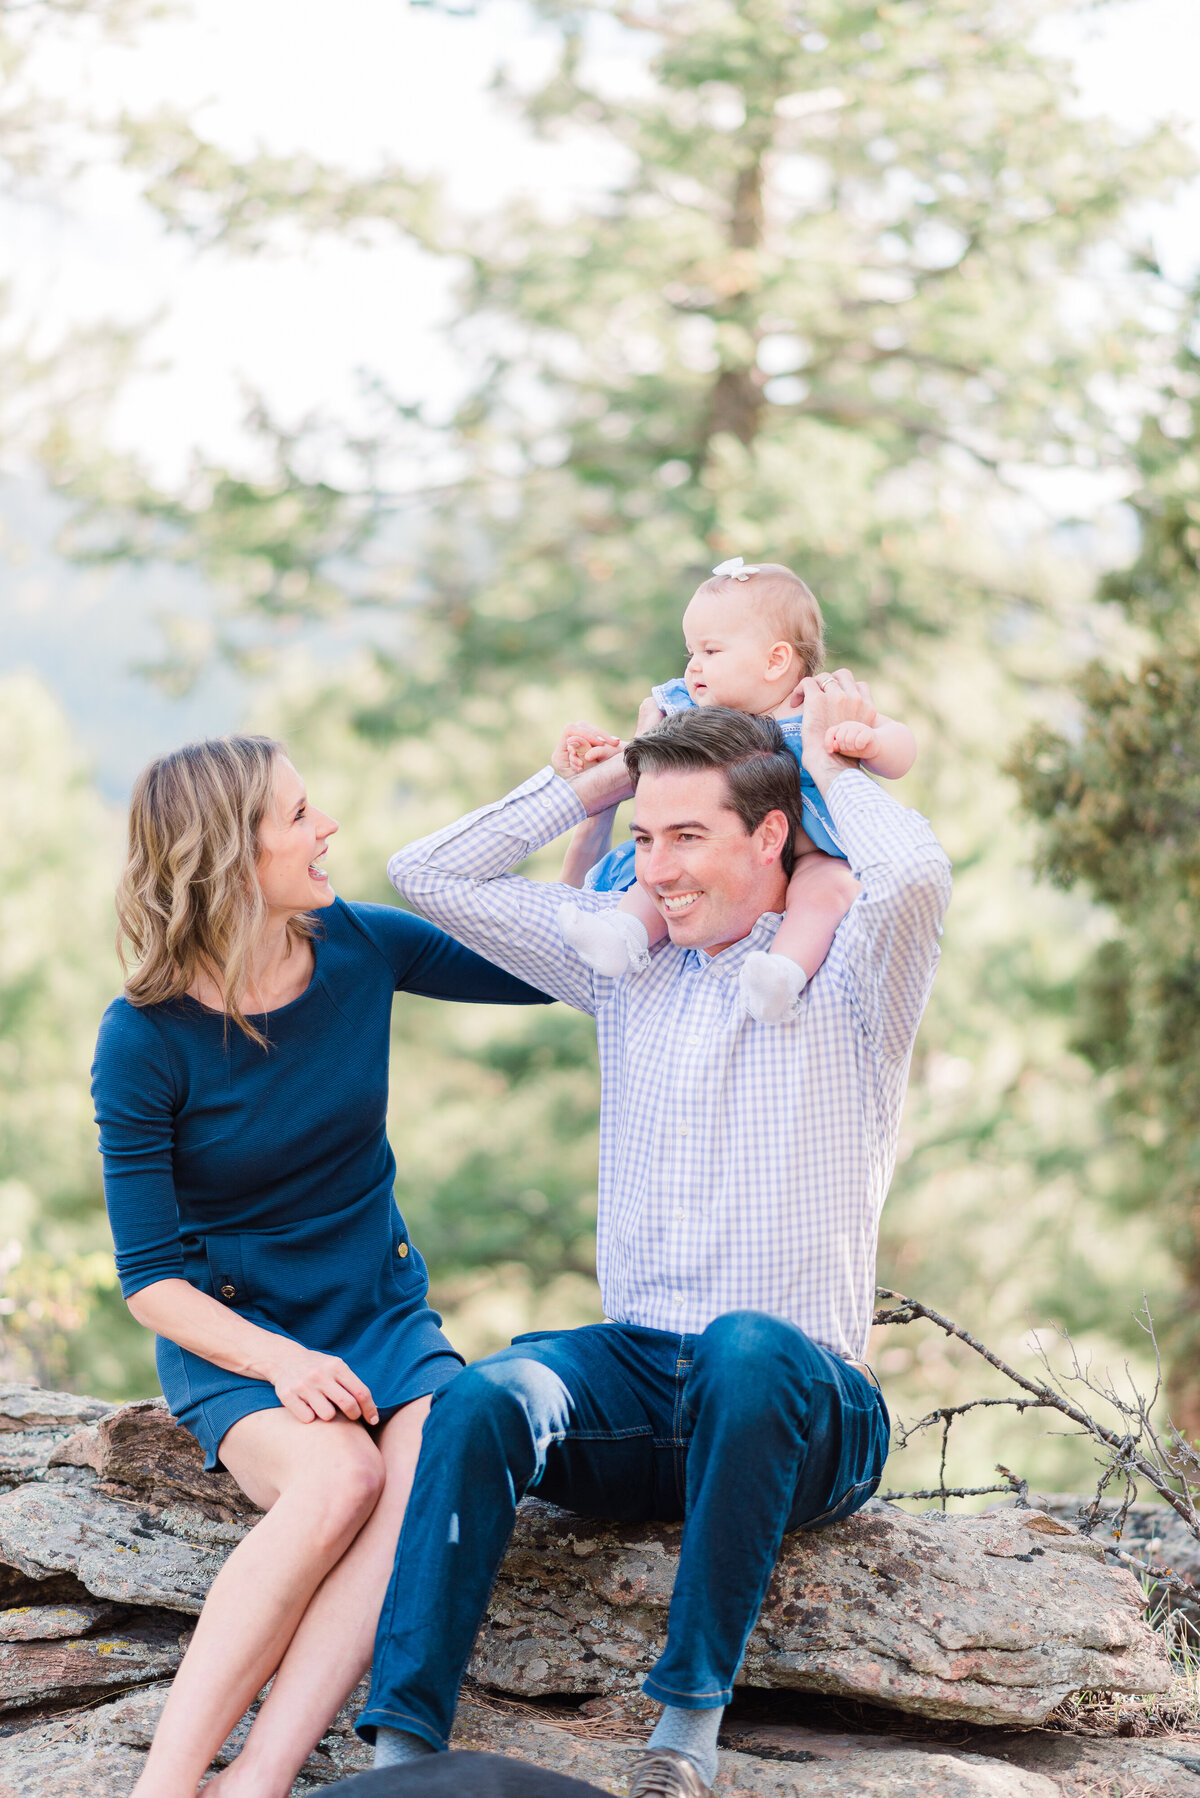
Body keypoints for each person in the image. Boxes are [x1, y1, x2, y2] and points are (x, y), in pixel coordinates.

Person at [358, 679, 951, 1798]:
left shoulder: (855, 968)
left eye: (688, 835)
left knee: (744, 1346)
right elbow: (426, 873)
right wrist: (578, 786)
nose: (659, 866)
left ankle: (683, 1732)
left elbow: (915, 871)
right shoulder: (623, 964)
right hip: (641, 1380)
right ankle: (402, 1752)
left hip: (803, 1395)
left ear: (771, 833)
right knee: (485, 1395)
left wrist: (829, 769)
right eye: (643, 835)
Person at [90, 735, 550, 1798]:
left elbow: (550, 967)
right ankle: (165, 1785)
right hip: (239, 1338)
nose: (327, 827)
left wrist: (591, 811)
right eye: (298, 816)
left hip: (381, 1309)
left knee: (430, 1446)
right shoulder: (143, 1038)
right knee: (340, 1470)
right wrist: (285, 1365)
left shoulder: (358, 947)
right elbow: (150, 1278)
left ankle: (259, 1779)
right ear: (226, 855)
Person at [557, 557, 916, 1022]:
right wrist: (608, 756)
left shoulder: (819, 702)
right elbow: (659, 762)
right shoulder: (688, 708)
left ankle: (782, 975)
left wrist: (869, 741)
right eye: (690, 653)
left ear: (775, 660)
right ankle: (624, 935)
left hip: (813, 848)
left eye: (711, 651)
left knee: (827, 889)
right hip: (730, 854)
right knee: (666, 868)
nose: (693, 667)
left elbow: (902, 746)